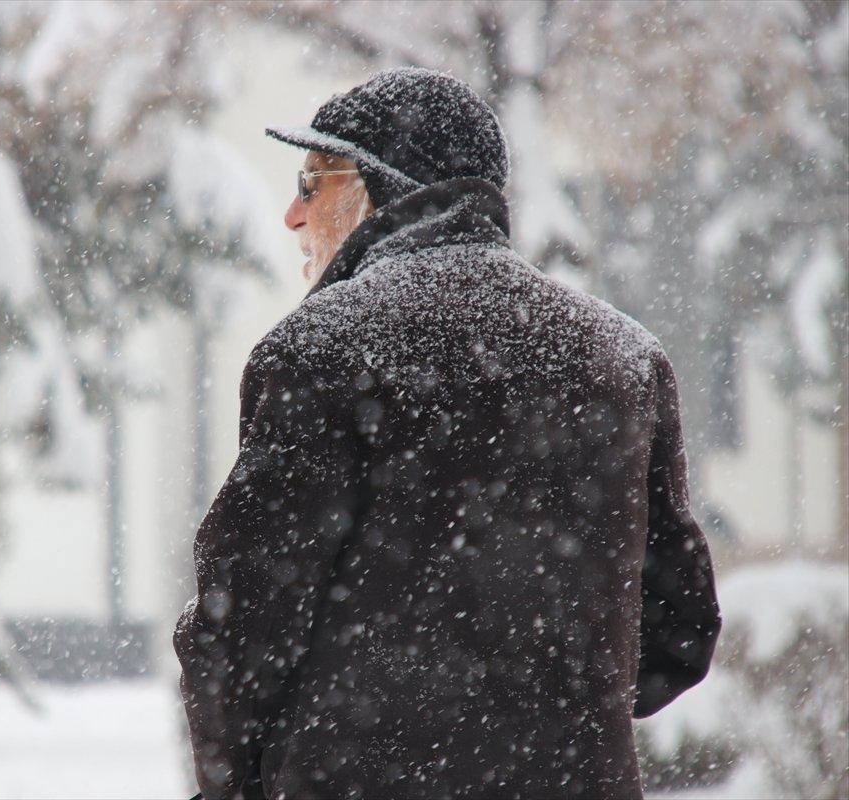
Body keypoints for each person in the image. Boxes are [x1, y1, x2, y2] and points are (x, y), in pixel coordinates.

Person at [173, 68, 721, 800]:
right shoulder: (621, 360)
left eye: (312, 182)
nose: (292, 217)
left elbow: (239, 630)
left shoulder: (321, 354)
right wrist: (542, 723)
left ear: (380, 186)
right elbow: (679, 630)